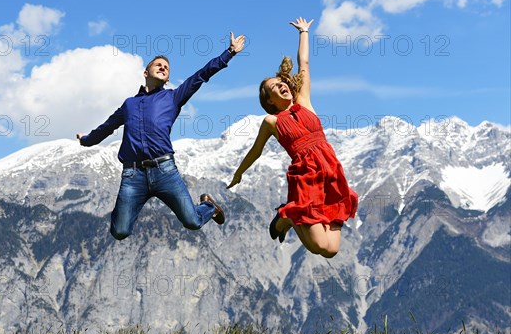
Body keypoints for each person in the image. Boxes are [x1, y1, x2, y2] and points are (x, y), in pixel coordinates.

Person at [78, 32, 246, 240]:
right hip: (133, 176)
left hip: (165, 171)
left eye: (166, 68)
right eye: (158, 65)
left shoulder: (173, 97)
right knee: (120, 231)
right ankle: (124, 211)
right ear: (145, 72)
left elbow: (201, 75)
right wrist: (86, 140)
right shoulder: (129, 104)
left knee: (193, 222)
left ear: (167, 78)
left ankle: (209, 205)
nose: (163, 68)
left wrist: (229, 53)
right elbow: (107, 127)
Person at [227, 18, 357, 258]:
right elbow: (256, 151)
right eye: (275, 87)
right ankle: (286, 216)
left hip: (330, 170)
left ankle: (287, 218)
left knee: (332, 249)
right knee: (318, 246)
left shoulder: (304, 101)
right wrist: (239, 173)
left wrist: (304, 32)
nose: (282, 85)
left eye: (281, 82)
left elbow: (304, 63)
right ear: (269, 101)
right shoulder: (272, 122)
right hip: (306, 176)